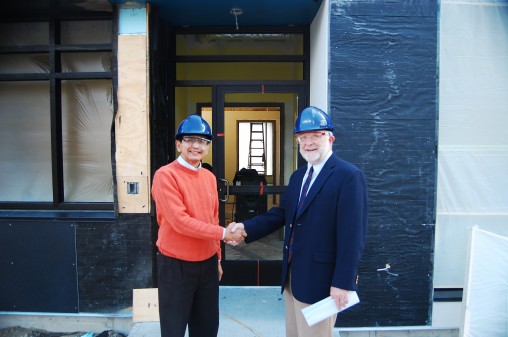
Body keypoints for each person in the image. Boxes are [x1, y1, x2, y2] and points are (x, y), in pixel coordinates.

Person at [229, 106, 368, 337]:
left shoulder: (348, 176)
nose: (309, 142)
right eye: (303, 137)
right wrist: (246, 227)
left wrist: (343, 282)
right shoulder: (299, 176)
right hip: (293, 278)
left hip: (322, 283)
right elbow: (282, 214)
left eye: (316, 135)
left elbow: (353, 236)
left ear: (330, 138)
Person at [151, 114, 246, 337]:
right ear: (178, 144)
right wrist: (224, 234)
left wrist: (218, 258)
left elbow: (212, 218)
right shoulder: (165, 176)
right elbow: (180, 222)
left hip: (208, 264)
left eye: (202, 141)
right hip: (176, 266)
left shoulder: (209, 177)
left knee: (207, 328)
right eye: (190, 140)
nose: (196, 146)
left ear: (208, 147)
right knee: (174, 329)